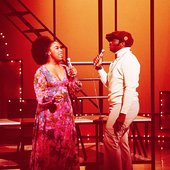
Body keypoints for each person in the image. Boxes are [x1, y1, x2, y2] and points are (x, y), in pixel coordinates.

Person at [30, 36, 82, 170]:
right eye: (57, 48)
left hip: (66, 117)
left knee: (66, 147)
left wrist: (73, 77)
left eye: (61, 48)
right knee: (50, 149)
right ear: (48, 51)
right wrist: (52, 98)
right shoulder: (41, 71)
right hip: (49, 117)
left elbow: (74, 90)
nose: (60, 50)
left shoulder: (65, 68)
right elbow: (39, 95)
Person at [93, 31, 140, 170]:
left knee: (110, 139)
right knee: (121, 142)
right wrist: (100, 68)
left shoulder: (129, 60)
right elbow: (110, 83)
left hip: (124, 105)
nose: (110, 42)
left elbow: (130, 87)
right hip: (118, 104)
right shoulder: (117, 61)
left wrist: (123, 113)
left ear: (123, 43)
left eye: (113, 40)